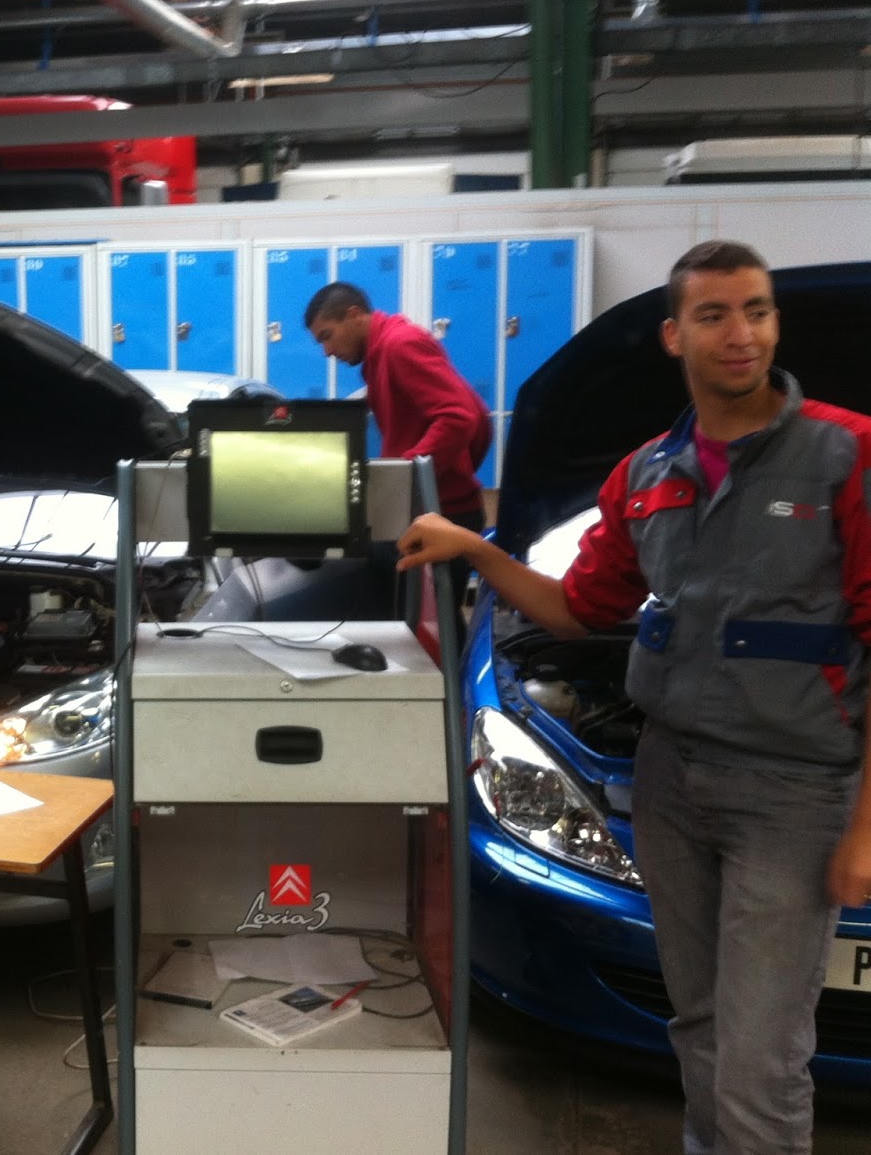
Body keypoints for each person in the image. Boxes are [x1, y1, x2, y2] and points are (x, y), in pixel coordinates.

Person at [397, 239, 871, 1154]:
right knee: (697, 1023)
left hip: (794, 790)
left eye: (758, 311)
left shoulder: (847, 454)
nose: (742, 334)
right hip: (667, 778)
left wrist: (864, 823)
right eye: (715, 314)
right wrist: (480, 550)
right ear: (672, 335)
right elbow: (580, 610)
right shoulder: (646, 474)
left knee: (762, 1053)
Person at [305, 282, 491, 608]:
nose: (327, 351)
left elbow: (460, 417)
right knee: (412, 617)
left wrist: (406, 477)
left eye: (326, 335)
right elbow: (473, 412)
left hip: (441, 514)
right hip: (425, 509)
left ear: (354, 315)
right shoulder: (382, 352)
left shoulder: (400, 345)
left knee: (432, 631)